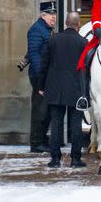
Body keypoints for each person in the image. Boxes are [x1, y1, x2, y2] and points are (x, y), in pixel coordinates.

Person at [38, 12, 88, 168]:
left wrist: (41, 86)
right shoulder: (83, 42)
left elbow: (44, 64)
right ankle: (75, 159)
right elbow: (87, 69)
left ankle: (55, 159)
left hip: (55, 88)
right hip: (76, 89)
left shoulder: (53, 39)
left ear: (66, 23)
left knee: (56, 124)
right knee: (76, 125)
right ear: (78, 24)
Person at [25, 1, 57, 153]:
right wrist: (40, 81)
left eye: (54, 14)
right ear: (43, 15)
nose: (54, 17)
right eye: (51, 14)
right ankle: (36, 143)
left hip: (47, 76)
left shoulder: (47, 29)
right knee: (39, 110)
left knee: (47, 110)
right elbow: (34, 55)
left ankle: (43, 139)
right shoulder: (36, 30)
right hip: (40, 77)